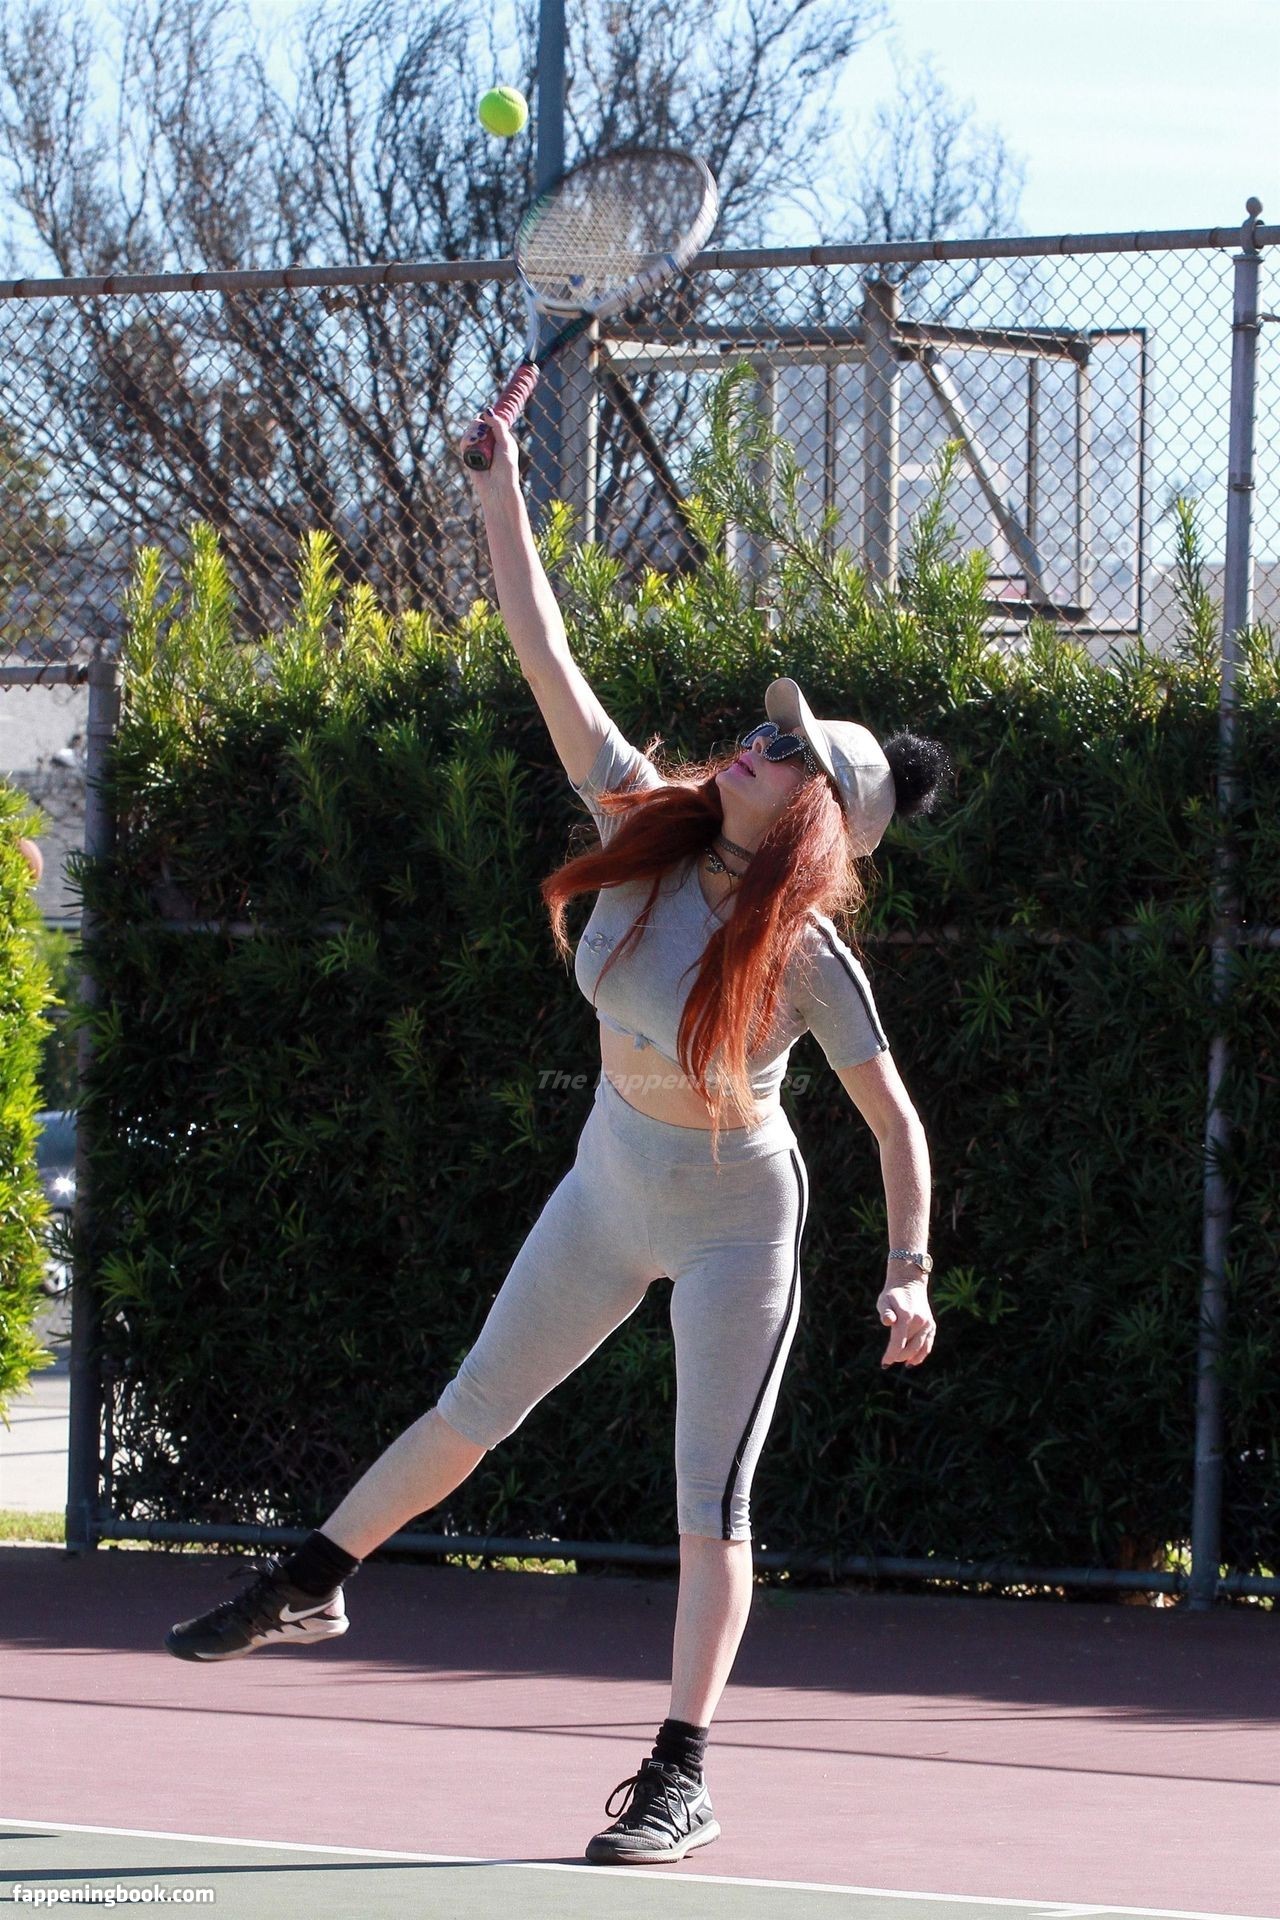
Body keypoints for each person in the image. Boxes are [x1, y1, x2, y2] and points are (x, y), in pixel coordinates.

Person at [165, 407, 953, 1868]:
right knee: (473, 1405)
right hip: (609, 1183)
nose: (756, 741)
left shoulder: (807, 958)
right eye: (765, 727)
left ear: (817, 815)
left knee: (710, 1501)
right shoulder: (639, 817)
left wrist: (907, 1272)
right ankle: (313, 1578)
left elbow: (894, 1124)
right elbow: (544, 649)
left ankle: (679, 1775)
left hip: (735, 1221)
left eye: (788, 748)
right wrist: (499, 491)